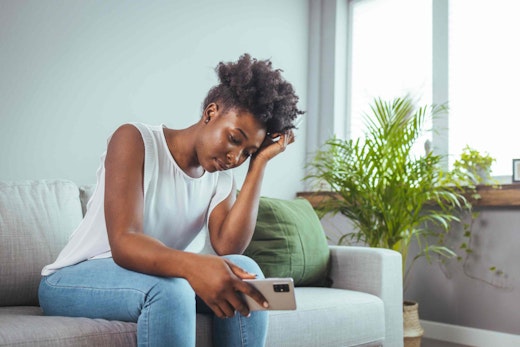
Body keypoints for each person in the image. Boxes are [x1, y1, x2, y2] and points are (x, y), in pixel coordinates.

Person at [38, 53, 304, 347]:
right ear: (211, 113)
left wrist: (260, 164)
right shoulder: (135, 140)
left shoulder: (221, 177)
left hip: (155, 276)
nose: (235, 157)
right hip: (73, 278)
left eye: (247, 153)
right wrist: (193, 266)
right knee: (172, 290)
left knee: (244, 275)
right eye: (234, 139)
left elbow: (228, 247)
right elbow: (125, 242)